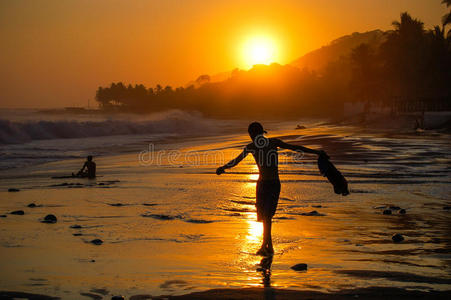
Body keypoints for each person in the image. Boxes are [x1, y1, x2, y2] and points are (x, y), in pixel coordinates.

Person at [216, 122, 326, 256]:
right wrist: (316, 152)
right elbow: (295, 147)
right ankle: (268, 246)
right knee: (266, 216)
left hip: (266, 184)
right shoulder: (268, 143)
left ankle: (266, 246)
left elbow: (235, 161)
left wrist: (223, 168)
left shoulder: (256, 145)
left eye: (252, 134)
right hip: (269, 183)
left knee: (267, 216)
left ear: (254, 134)